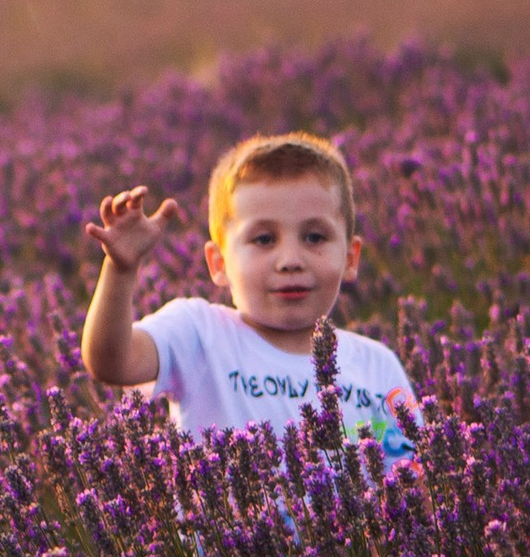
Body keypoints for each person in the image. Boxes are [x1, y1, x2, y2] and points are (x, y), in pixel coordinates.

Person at [80, 129, 418, 459]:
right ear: (219, 263)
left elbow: (419, 475)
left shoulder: (378, 367)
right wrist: (120, 271)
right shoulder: (198, 334)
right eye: (264, 240)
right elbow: (112, 361)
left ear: (350, 257)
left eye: (314, 237)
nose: (290, 261)